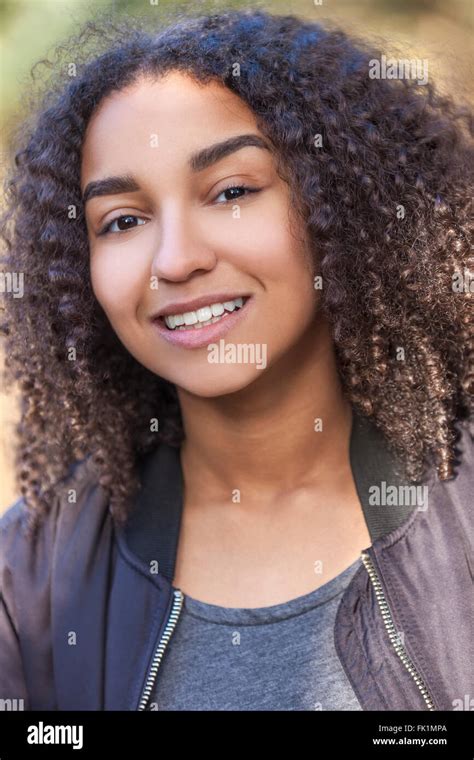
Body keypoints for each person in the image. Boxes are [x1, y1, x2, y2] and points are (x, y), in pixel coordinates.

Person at [0, 8, 472, 711]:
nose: (177, 259)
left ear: (333, 200)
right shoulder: (30, 577)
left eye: (231, 192)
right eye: (123, 221)